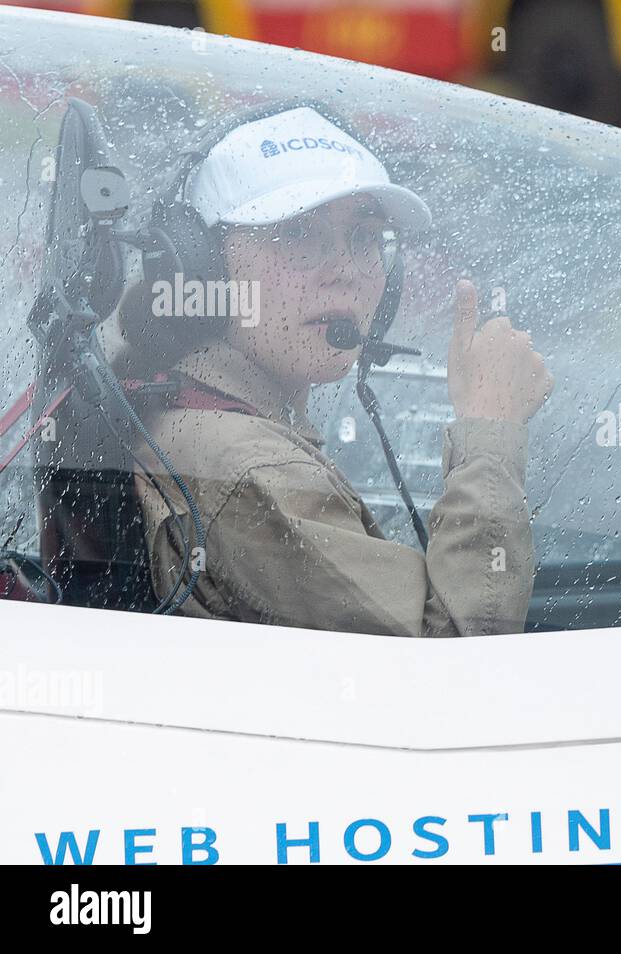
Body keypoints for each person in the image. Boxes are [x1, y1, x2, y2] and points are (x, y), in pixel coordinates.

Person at [122, 104, 553, 637]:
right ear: (201, 265)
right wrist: (491, 427)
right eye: (299, 235)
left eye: (364, 238)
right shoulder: (249, 470)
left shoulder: (186, 404)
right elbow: (454, 668)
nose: (345, 272)